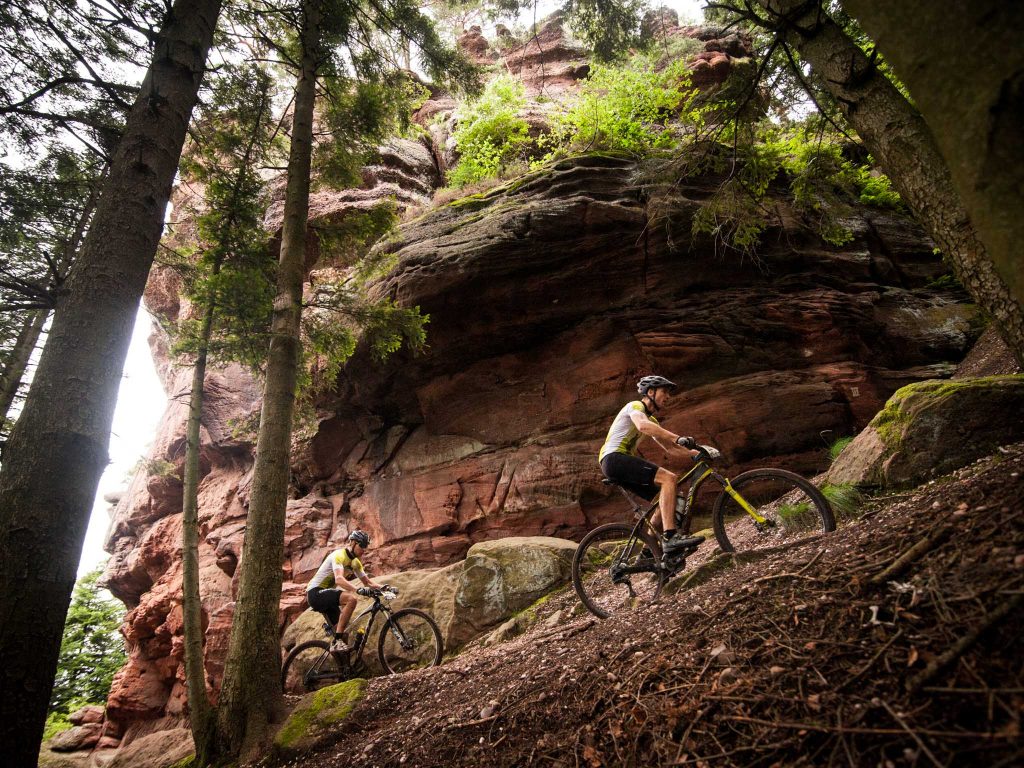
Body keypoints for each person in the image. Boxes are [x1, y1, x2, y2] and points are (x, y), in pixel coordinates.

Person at [598, 375, 705, 559]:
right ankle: (670, 537)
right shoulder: (635, 407)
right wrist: (676, 436)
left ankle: (649, 552)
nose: (668, 396)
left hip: (616, 463)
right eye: (664, 391)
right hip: (613, 458)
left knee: (666, 500)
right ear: (650, 392)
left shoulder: (652, 422)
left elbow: (671, 449)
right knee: (668, 478)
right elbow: (642, 426)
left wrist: (699, 453)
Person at [305, 529, 396, 652]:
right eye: (362, 545)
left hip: (327, 597)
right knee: (351, 599)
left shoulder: (355, 563)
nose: (364, 549)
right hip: (315, 593)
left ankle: (344, 668)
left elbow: (368, 582)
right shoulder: (339, 555)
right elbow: (339, 579)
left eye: (366, 546)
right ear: (353, 543)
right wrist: (357, 590)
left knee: (343, 634)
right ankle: (337, 641)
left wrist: (385, 588)